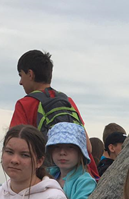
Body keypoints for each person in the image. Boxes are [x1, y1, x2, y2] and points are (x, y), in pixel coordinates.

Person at [10, 50, 99, 178]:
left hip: (47, 177)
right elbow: (88, 147)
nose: (20, 82)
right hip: (82, 176)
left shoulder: (25, 104)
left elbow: (14, 146)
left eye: (21, 75)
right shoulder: (68, 101)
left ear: (30, 74)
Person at [45, 122, 96, 199]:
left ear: (80, 152)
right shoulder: (45, 175)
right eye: (57, 146)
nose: (62, 152)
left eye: (70, 147)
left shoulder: (85, 182)